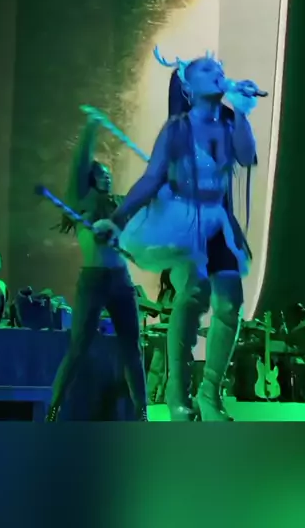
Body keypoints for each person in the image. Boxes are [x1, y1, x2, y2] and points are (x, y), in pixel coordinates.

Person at [94, 48, 261, 421]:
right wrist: (118, 219)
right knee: (195, 294)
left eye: (219, 67)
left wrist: (242, 112)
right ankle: (177, 392)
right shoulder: (177, 129)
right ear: (188, 86)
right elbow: (152, 179)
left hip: (218, 220)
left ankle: (210, 394)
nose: (217, 71)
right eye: (207, 69)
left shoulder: (229, 120)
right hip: (183, 219)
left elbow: (246, 156)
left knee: (230, 303)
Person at [46, 109, 147, 422]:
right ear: (90, 178)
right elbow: (79, 164)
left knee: (132, 348)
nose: (107, 176)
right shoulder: (81, 202)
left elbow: (144, 196)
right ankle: (53, 409)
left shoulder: (117, 203)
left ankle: (142, 414)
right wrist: (91, 127)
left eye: (109, 173)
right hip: (93, 281)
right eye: (101, 173)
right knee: (78, 347)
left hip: (121, 281)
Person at [146, 269, 176, 404]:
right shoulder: (164, 293)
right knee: (156, 366)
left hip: (173, 333)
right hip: (163, 333)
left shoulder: (178, 293)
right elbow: (155, 311)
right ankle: (150, 396)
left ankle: (162, 396)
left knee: (167, 367)